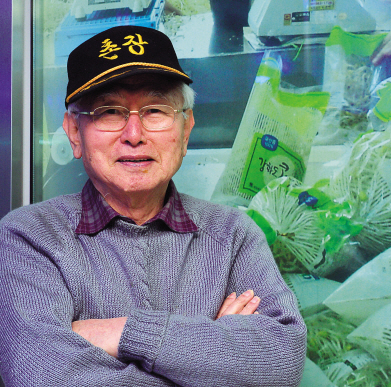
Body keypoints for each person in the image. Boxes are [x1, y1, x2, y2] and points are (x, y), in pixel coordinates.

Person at [0, 25, 306, 386]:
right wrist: (212, 354)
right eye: (109, 111)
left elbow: (283, 360)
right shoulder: (27, 237)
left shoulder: (233, 235)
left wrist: (121, 332)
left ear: (187, 127)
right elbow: (43, 377)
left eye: (156, 110)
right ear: (73, 132)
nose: (134, 134)